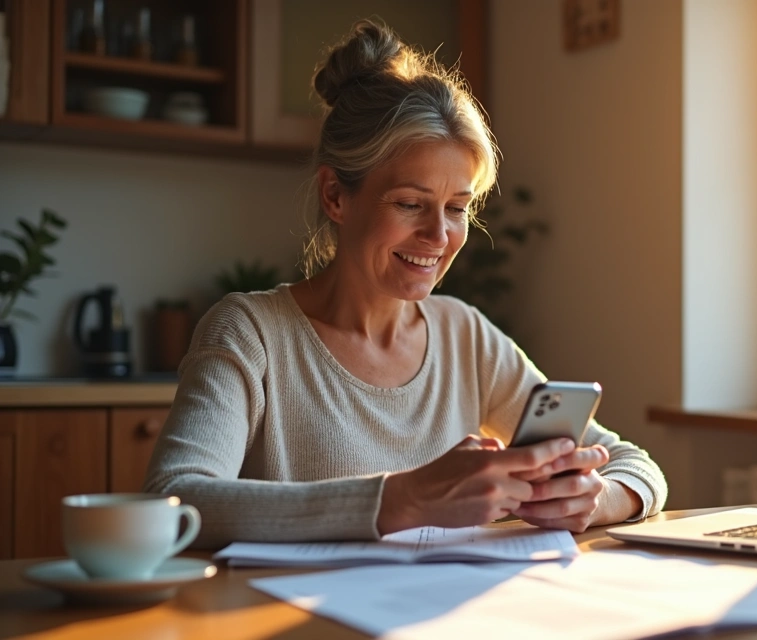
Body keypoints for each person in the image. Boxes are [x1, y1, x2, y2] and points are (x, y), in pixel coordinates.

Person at [143, 20, 667, 548]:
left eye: (457, 209)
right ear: (336, 196)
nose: (439, 235)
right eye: (410, 204)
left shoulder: (465, 335)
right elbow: (177, 499)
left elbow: (636, 466)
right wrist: (404, 499)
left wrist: (590, 499)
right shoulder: (250, 333)